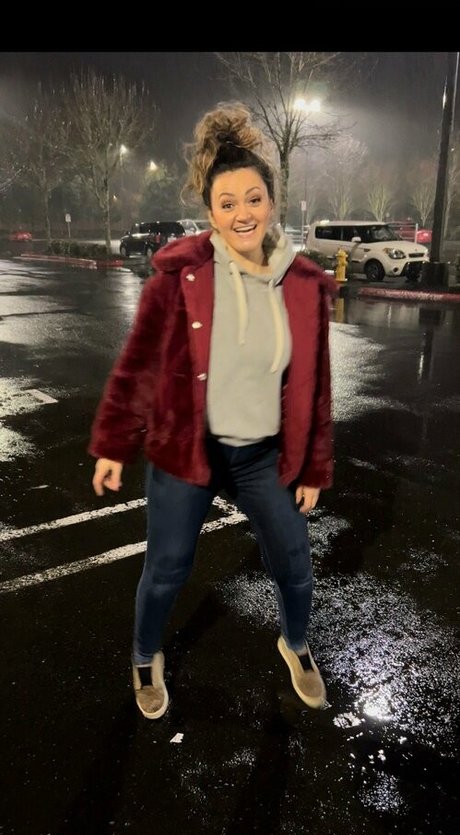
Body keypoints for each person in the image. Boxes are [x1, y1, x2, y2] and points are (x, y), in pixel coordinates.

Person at [89, 102, 336, 720]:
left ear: (271, 202)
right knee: (167, 567)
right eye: (227, 203)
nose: (242, 213)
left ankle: (295, 643)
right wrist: (114, 443)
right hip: (186, 451)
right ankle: (145, 654)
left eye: (253, 198)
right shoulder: (180, 278)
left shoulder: (304, 283)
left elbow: (316, 384)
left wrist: (313, 466)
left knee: (295, 562)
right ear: (211, 213)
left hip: (262, 457)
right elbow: (139, 363)